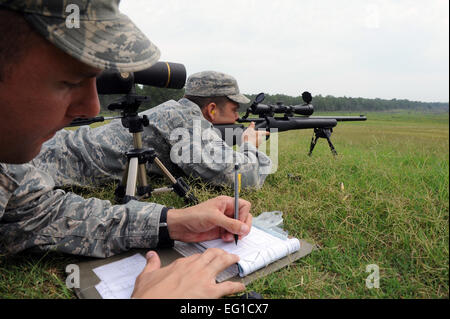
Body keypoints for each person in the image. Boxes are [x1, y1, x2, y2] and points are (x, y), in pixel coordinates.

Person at [0, 0, 251, 298]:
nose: (92, 107)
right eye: (69, 81)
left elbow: (39, 213)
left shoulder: (10, 166)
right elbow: (236, 173)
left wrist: (170, 223)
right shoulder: (184, 119)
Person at [33, 71, 272, 192]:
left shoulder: (177, 111)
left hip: (51, 147)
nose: (237, 116)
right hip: (42, 162)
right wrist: (249, 144)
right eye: (233, 108)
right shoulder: (187, 121)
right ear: (211, 108)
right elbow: (241, 178)